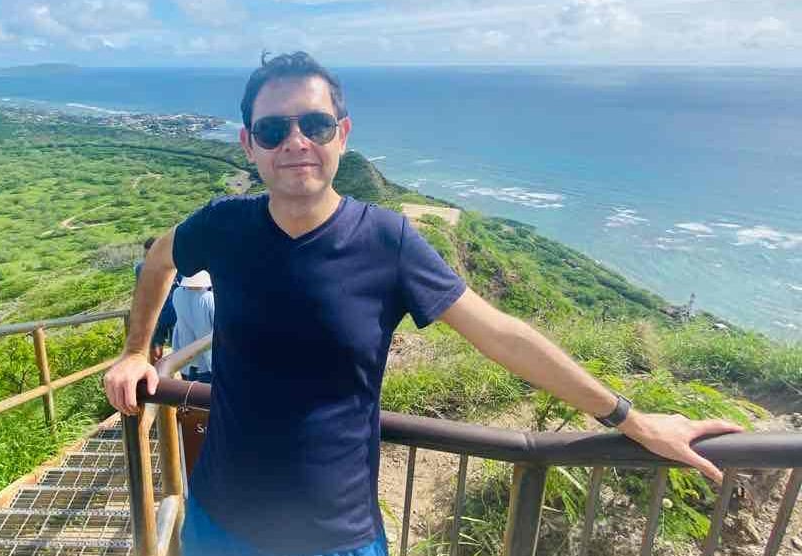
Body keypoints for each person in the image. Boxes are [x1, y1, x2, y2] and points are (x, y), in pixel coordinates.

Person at [104, 52, 743, 556]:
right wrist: (137, 351)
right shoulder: (224, 226)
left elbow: (500, 334)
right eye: (274, 130)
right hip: (220, 524)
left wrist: (631, 419)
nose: (296, 142)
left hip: (337, 536)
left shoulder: (387, 242)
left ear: (342, 135)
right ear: (249, 145)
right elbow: (159, 260)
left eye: (315, 125)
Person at [134, 237, 177, 364]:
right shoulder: (140, 268)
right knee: (156, 351)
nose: (148, 258)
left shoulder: (174, 266)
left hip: (174, 313)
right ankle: (156, 373)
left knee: (178, 348)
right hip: (154, 316)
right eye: (146, 255)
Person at [171, 270, 215, 383]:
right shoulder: (208, 298)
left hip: (186, 355)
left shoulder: (177, 294)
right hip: (207, 359)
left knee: (189, 390)